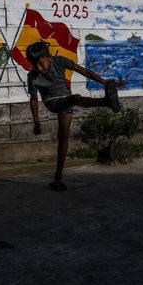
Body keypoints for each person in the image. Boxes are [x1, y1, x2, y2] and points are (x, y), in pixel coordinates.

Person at [26, 41, 121, 191]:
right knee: (75, 98)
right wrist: (36, 122)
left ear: (48, 57)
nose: (38, 68)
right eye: (34, 65)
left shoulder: (59, 61)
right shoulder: (32, 76)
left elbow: (84, 71)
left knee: (63, 136)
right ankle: (106, 103)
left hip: (66, 100)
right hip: (52, 102)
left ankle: (58, 178)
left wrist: (105, 83)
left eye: (40, 63)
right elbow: (33, 99)